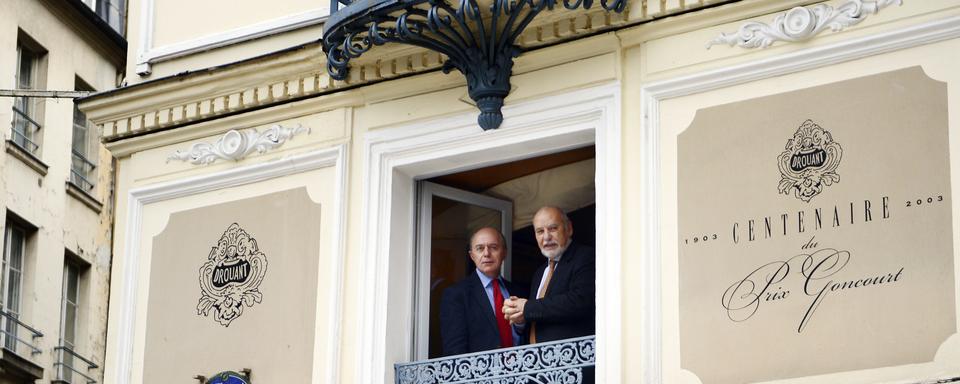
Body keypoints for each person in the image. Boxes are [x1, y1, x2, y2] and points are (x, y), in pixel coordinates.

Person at [502, 206, 596, 343]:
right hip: (538, 360)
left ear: (569, 229)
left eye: (552, 228)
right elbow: (540, 317)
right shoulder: (540, 273)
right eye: (540, 231)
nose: (546, 237)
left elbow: (579, 301)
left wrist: (527, 307)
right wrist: (520, 316)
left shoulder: (585, 257)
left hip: (571, 359)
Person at [439, 227, 528, 356]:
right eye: (480, 248)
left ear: (504, 253)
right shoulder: (456, 295)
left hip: (520, 372)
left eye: (493, 247)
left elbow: (528, 337)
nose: (486, 253)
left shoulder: (518, 291)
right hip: (481, 374)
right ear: (472, 256)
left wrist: (520, 324)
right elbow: (454, 352)